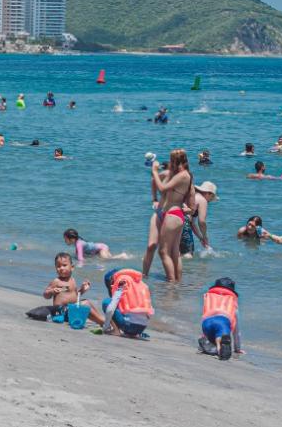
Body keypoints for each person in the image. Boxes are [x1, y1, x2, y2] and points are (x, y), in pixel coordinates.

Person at [143, 148, 194, 282]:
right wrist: (154, 198)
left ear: (176, 160)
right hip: (165, 212)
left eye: (172, 160)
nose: (170, 162)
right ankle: (175, 283)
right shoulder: (174, 174)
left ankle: (172, 284)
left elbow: (163, 188)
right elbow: (155, 182)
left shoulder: (184, 176)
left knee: (164, 252)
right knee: (170, 252)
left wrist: (154, 171)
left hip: (173, 214)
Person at [40, 253, 106, 325]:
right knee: (85, 304)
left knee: (87, 302)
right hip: (61, 312)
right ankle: (102, 322)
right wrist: (52, 291)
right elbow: (45, 295)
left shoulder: (72, 280)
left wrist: (83, 289)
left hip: (71, 309)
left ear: (72, 267)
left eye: (64, 265)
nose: (61, 268)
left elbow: (75, 296)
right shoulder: (57, 281)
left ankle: (101, 320)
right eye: (58, 266)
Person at [197, 277, 243, 361]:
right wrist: (237, 349)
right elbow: (236, 332)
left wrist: (203, 336)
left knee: (210, 340)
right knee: (220, 335)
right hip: (223, 322)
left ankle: (206, 344)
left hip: (207, 323)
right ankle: (220, 347)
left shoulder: (209, 299)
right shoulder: (232, 303)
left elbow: (203, 316)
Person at [100, 268, 153, 338]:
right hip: (142, 328)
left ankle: (116, 331)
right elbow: (148, 310)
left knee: (106, 302)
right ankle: (135, 333)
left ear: (112, 281)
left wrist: (105, 327)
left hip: (129, 326)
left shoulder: (122, 282)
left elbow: (110, 309)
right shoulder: (140, 284)